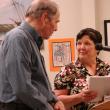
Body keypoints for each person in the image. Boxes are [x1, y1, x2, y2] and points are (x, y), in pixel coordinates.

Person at [0, 0, 65, 110]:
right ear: (45, 18)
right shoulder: (18, 38)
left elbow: (37, 81)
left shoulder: (29, 40)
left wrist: (54, 100)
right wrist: (47, 107)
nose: (56, 28)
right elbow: (22, 88)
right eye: (56, 21)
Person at [54, 28, 110, 110]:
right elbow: (56, 100)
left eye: (87, 43)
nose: (81, 47)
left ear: (98, 48)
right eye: (79, 43)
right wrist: (80, 97)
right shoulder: (68, 70)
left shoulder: (107, 67)